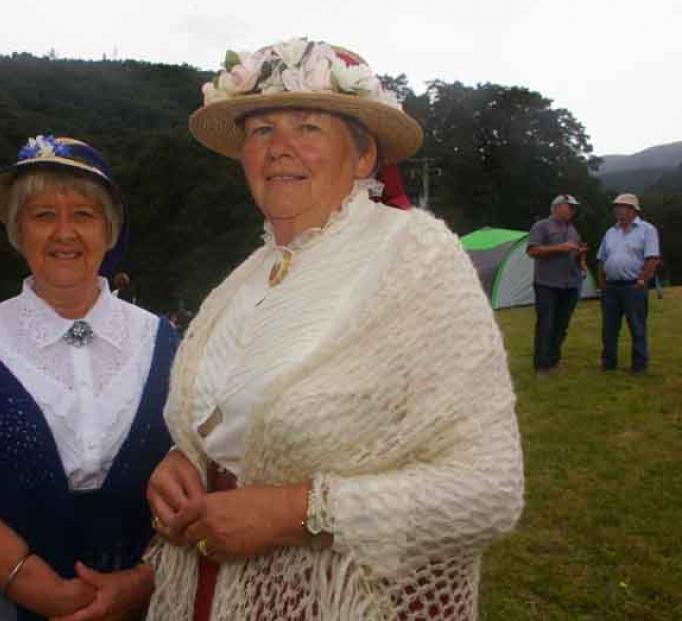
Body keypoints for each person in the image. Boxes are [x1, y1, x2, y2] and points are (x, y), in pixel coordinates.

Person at [144, 38, 524, 620]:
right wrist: (185, 460)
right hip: (200, 594)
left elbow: (489, 491)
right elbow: (230, 422)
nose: (280, 149)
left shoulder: (417, 258)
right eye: (262, 130)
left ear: (364, 155)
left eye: (309, 128)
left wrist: (296, 512)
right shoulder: (241, 280)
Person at [0, 135, 179, 621]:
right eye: (43, 215)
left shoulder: (161, 341)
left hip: (147, 578)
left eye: (83, 215)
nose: (64, 233)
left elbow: (195, 463)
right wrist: (32, 583)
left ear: (109, 232)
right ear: (17, 231)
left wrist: (140, 582)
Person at [597, 193, 660, 373]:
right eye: (616, 206)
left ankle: (639, 365)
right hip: (611, 286)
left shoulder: (647, 230)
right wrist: (602, 284)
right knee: (609, 329)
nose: (617, 209)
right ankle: (608, 363)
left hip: (634, 285)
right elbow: (601, 259)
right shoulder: (610, 232)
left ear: (633, 210)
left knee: (637, 326)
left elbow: (652, 258)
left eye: (621, 206)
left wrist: (642, 279)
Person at [526, 194, 588, 374]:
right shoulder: (541, 226)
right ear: (557, 207)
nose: (573, 210)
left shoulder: (573, 230)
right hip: (547, 283)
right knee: (546, 324)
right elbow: (532, 250)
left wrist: (581, 259)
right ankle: (541, 365)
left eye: (574, 207)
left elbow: (574, 253)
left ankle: (554, 361)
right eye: (570, 206)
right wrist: (560, 248)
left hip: (570, 284)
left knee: (562, 325)